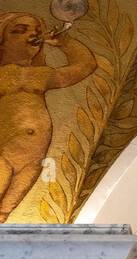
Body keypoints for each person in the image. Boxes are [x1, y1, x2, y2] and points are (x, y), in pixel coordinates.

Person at [0, 14, 97, 222]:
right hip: (4, 153)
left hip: (33, 160)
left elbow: (85, 66)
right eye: (20, 30)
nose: (31, 35)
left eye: (35, 31)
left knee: (4, 214)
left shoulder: (40, 74)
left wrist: (65, 43)